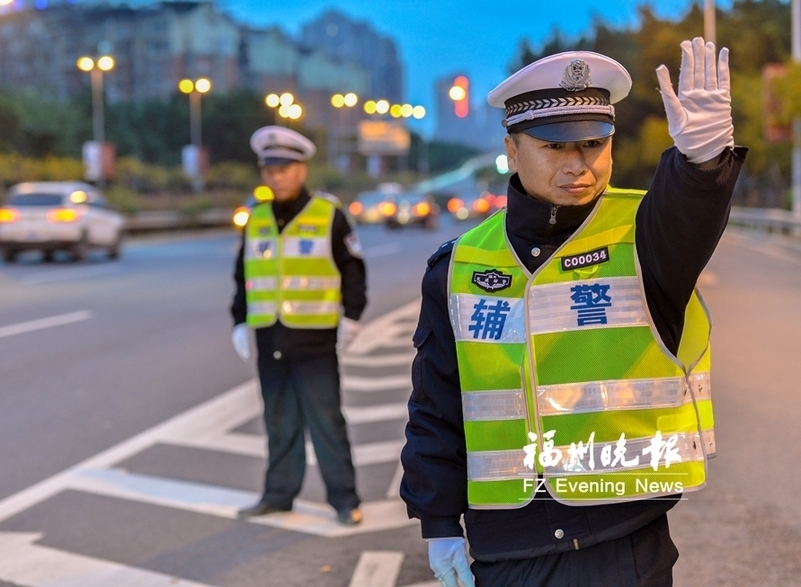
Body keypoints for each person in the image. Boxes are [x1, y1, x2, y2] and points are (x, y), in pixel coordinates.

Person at [400, 38, 746, 587]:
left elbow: (691, 214)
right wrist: (438, 521)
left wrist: (702, 163)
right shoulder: (459, 265)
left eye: (593, 143)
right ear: (512, 151)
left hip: (623, 538)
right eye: (554, 146)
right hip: (506, 548)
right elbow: (437, 404)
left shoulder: (644, 236)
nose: (579, 164)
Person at [230, 125, 367, 526]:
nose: (277, 176)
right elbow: (243, 275)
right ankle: (278, 494)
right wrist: (239, 320)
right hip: (269, 335)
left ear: (301, 169)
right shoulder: (255, 218)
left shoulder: (328, 214)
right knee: (277, 419)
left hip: (314, 338)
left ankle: (344, 499)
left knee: (326, 419)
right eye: (270, 169)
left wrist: (353, 316)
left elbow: (353, 270)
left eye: (285, 168)